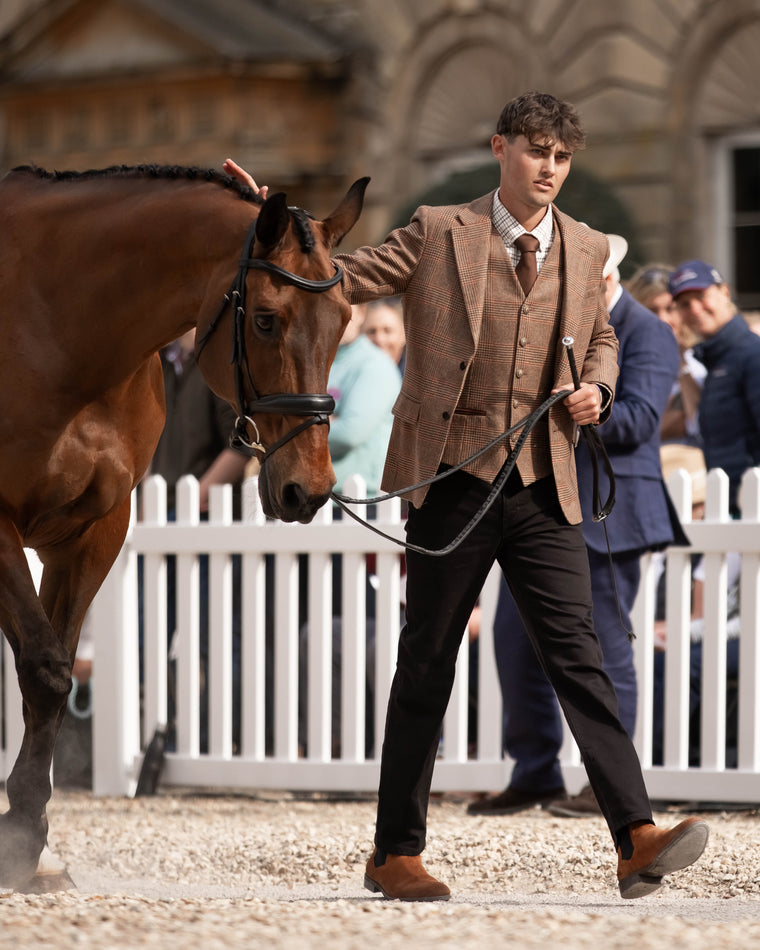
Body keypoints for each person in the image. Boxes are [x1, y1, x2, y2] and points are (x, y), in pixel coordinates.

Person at [222, 90, 709, 902]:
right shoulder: (439, 229)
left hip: (545, 480)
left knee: (578, 660)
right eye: (535, 151)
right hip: (453, 475)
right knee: (427, 664)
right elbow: (340, 275)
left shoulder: (587, 248)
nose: (549, 168)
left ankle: (635, 837)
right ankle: (395, 851)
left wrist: (597, 383)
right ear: (500, 148)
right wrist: (266, 219)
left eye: (561, 156)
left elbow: (601, 336)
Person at [469, 233, 687, 819]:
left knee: (606, 651)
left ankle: (609, 788)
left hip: (612, 513)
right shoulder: (566, 325)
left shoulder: (647, 330)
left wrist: (580, 404)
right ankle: (535, 772)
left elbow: (641, 421)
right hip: (549, 506)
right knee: (514, 643)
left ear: (607, 280)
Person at [668, 260, 760, 514]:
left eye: (702, 296)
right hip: (731, 507)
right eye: (685, 304)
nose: (695, 309)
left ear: (725, 293)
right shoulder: (715, 360)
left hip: (750, 507)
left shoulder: (751, 354)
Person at [326, 303, 402, 496]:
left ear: (361, 312)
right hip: (323, 500)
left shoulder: (376, 365)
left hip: (361, 501)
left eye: (344, 308)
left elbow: (348, 434)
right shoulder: (323, 360)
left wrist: (300, 426)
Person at [626, 263, 704, 447]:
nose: (662, 320)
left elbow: (697, 423)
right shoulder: (621, 359)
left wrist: (681, 364)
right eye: (652, 310)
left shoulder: (699, 359)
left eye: (670, 309)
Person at [362, 296, 407, 372]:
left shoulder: (418, 380)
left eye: (387, 331)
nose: (379, 339)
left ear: (404, 335)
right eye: (372, 331)